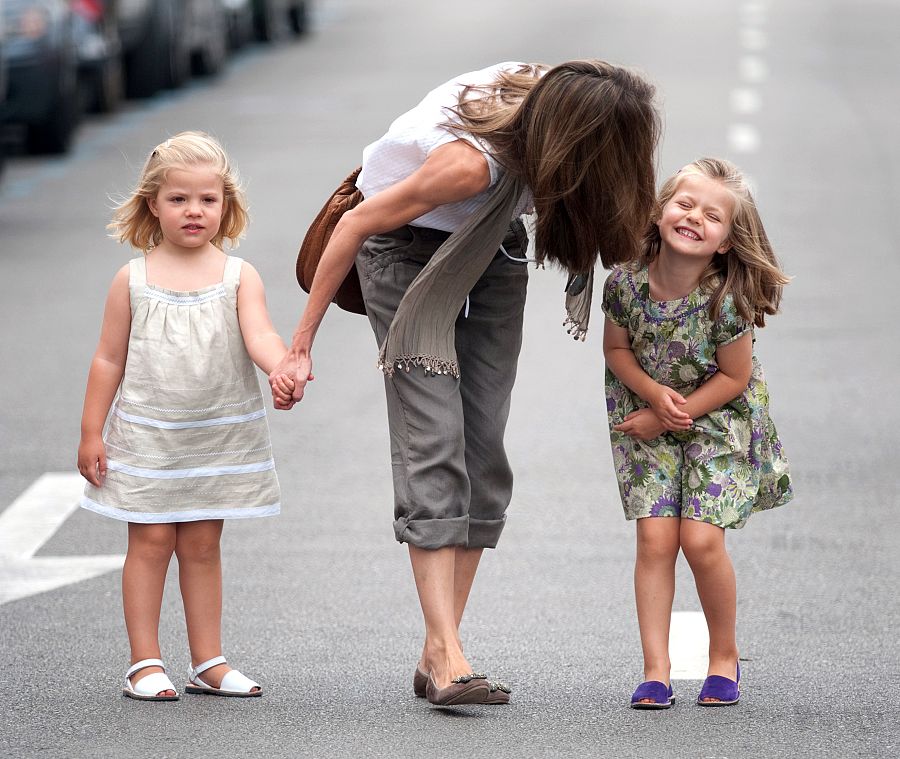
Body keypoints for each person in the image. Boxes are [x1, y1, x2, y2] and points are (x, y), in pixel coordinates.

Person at [271, 60, 660, 706]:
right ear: (576, 145)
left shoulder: (555, 113)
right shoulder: (467, 165)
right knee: (434, 439)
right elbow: (355, 223)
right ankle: (449, 650)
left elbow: (634, 220)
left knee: (483, 450)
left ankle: (436, 647)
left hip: (492, 246)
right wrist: (300, 345)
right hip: (401, 251)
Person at [77, 131, 294, 701]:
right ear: (154, 204)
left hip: (216, 437)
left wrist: (281, 367)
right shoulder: (134, 278)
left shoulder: (239, 275)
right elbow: (107, 359)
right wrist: (90, 432)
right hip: (148, 436)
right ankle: (144, 662)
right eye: (179, 200)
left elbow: (261, 334)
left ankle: (208, 660)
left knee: (201, 546)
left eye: (208, 199)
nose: (194, 211)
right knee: (149, 545)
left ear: (226, 204)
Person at [601, 157, 793, 709]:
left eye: (712, 216)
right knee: (655, 540)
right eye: (684, 204)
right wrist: (651, 397)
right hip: (645, 415)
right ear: (660, 211)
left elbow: (735, 377)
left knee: (701, 540)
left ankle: (724, 656)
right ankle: (655, 670)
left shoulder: (725, 299)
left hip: (718, 419)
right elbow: (616, 349)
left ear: (727, 242)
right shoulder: (625, 285)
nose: (693, 218)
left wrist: (665, 412)